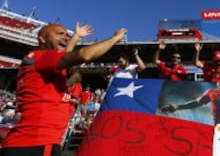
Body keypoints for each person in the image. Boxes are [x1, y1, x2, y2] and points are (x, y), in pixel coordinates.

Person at [0, 23, 127, 156]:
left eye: (67, 34)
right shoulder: (43, 57)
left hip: (26, 142)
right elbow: (84, 55)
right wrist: (114, 38)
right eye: (60, 34)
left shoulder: (41, 63)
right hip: (37, 144)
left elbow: (65, 55)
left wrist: (76, 36)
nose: (66, 37)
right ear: (42, 38)